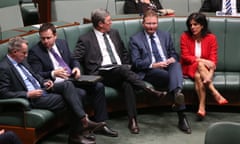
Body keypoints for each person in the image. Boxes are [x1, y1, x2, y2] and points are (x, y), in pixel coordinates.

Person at [74, 8, 166, 134]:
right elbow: (75, 58)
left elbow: (123, 52)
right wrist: (76, 69)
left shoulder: (114, 33)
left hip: (119, 71)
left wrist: (127, 65)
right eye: (109, 21)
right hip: (101, 72)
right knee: (123, 70)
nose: (111, 23)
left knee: (127, 83)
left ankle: (132, 120)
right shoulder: (85, 39)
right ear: (101, 24)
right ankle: (149, 90)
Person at [0, 37, 106, 144]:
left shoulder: (21, 60)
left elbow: (35, 75)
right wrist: (27, 94)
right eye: (24, 53)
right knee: (72, 98)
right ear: (14, 52)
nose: (26, 55)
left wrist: (44, 81)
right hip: (35, 98)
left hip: (43, 88)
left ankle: (83, 122)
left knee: (68, 84)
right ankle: (77, 133)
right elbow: (3, 93)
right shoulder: (4, 67)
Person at [27, 23, 118, 137]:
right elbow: (37, 74)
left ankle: (101, 124)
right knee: (79, 93)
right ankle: (81, 129)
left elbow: (73, 60)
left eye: (48, 38)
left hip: (72, 79)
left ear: (55, 36)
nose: (45, 41)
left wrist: (76, 68)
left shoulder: (62, 43)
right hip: (56, 85)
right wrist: (53, 73)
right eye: (42, 38)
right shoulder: (35, 52)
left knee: (98, 86)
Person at [129, 10, 191, 134]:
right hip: (150, 71)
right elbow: (136, 63)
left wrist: (172, 58)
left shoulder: (165, 35)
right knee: (168, 75)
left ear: (158, 23)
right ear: (143, 23)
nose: (152, 26)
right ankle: (181, 114)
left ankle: (177, 94)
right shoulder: (135, 39)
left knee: (176, 64)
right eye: (148, 24)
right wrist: (154, 65)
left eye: (154, 23)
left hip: (168, 66)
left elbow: (173, 53)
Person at [180, 12, 228, 120]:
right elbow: (186, 57)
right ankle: (214, 92)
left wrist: (209, 75)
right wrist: (201, 60)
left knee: (198, 76)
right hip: (188, 67)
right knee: (200, 64)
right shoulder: (185, 36)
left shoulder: (211, 38)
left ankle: (202, 107)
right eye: (190, 25)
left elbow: (213, 61)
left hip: (205, 71)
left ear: (202, 25)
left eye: (195, 24)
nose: (192, 27)